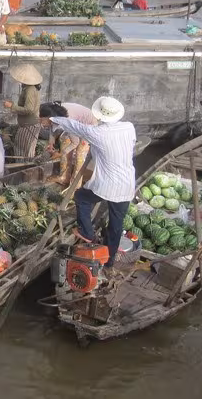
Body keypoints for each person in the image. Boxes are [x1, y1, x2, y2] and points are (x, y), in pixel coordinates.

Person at [49, 96, 136, 271]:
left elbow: (74, 126)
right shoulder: (129, 127)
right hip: (127, 184)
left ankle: (86, 232)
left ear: (100, 115)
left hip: (108, 185)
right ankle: (109, 262)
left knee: (81, 197)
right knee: (116, 226)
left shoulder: (97, 133)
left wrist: (51, 118)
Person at [39, 102, 96, 186]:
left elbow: (75, 143)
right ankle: (64, 177)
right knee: (64, 142)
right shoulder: (53, 112)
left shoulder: (67, 121)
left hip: (88, 126)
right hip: (74, 122)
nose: (41, 123)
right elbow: (52, 127)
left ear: (50, 118)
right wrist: (51, 143)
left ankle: (75, 185)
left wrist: (60, 154)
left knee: (79, 154)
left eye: (42, 120)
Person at [3, 63, 42, 160]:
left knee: (23, 151)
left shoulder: (30, 89)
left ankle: (24, 169)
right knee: (25, 150)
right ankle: (25, 168)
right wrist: (14, 106)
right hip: (27, 124)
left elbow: (29, 110)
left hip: (29, 125)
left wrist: (12, 106)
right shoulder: (28, 88)